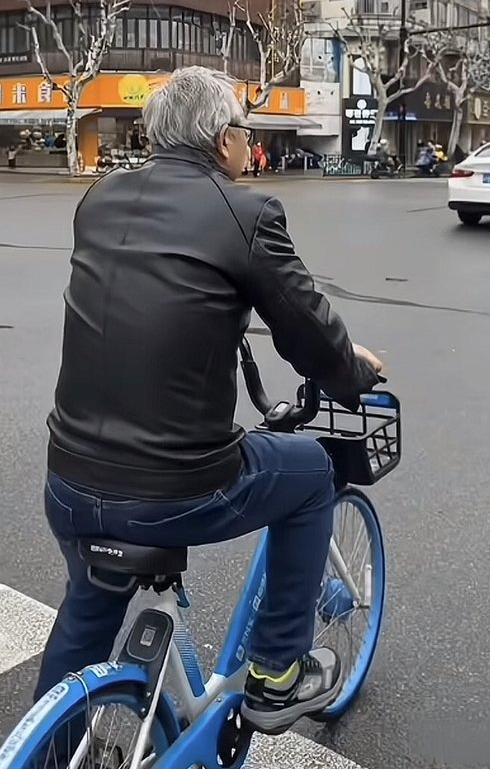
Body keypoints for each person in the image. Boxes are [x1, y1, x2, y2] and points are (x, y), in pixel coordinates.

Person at [36, 67, 384, 733]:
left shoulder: (100, 197)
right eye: (245, 134)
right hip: (173, 487)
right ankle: (278, 672)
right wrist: (351, 374)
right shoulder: (244, 212)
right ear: (225, 139)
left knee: (86, 617)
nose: (248, 147)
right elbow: (308, 334)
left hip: (71, 479)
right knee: (310, 472)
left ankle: (53, 745)